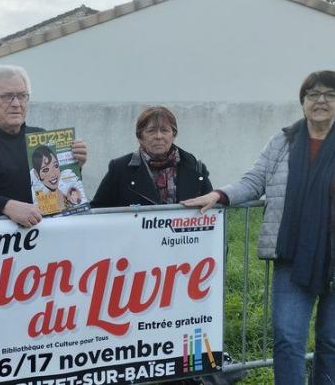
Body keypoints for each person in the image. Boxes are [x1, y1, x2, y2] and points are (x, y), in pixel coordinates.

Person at [183, 71, 335, 384]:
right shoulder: (284, 141)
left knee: (331, 342)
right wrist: (219, 194)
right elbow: (254, 181)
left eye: (330, 94)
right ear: (302, 102)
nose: (321, 100)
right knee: (288, 340)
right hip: (292, 256)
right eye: (313, 94)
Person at [0, 65, 87, 227]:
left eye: (22, 96)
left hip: (49, 238)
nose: (16, 103)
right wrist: (7, 206)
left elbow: (62, 192)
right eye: (8, 96)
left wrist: (74, 164)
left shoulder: (42, 138)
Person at [90, 106, 212, 207]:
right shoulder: (119, 169)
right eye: (151, 131)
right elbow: (98, 210)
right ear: (140, 137)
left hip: (181, 237)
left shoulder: (195, 167)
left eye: (165, 130)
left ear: (173, 135)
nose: (159, 136)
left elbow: (212, 207)